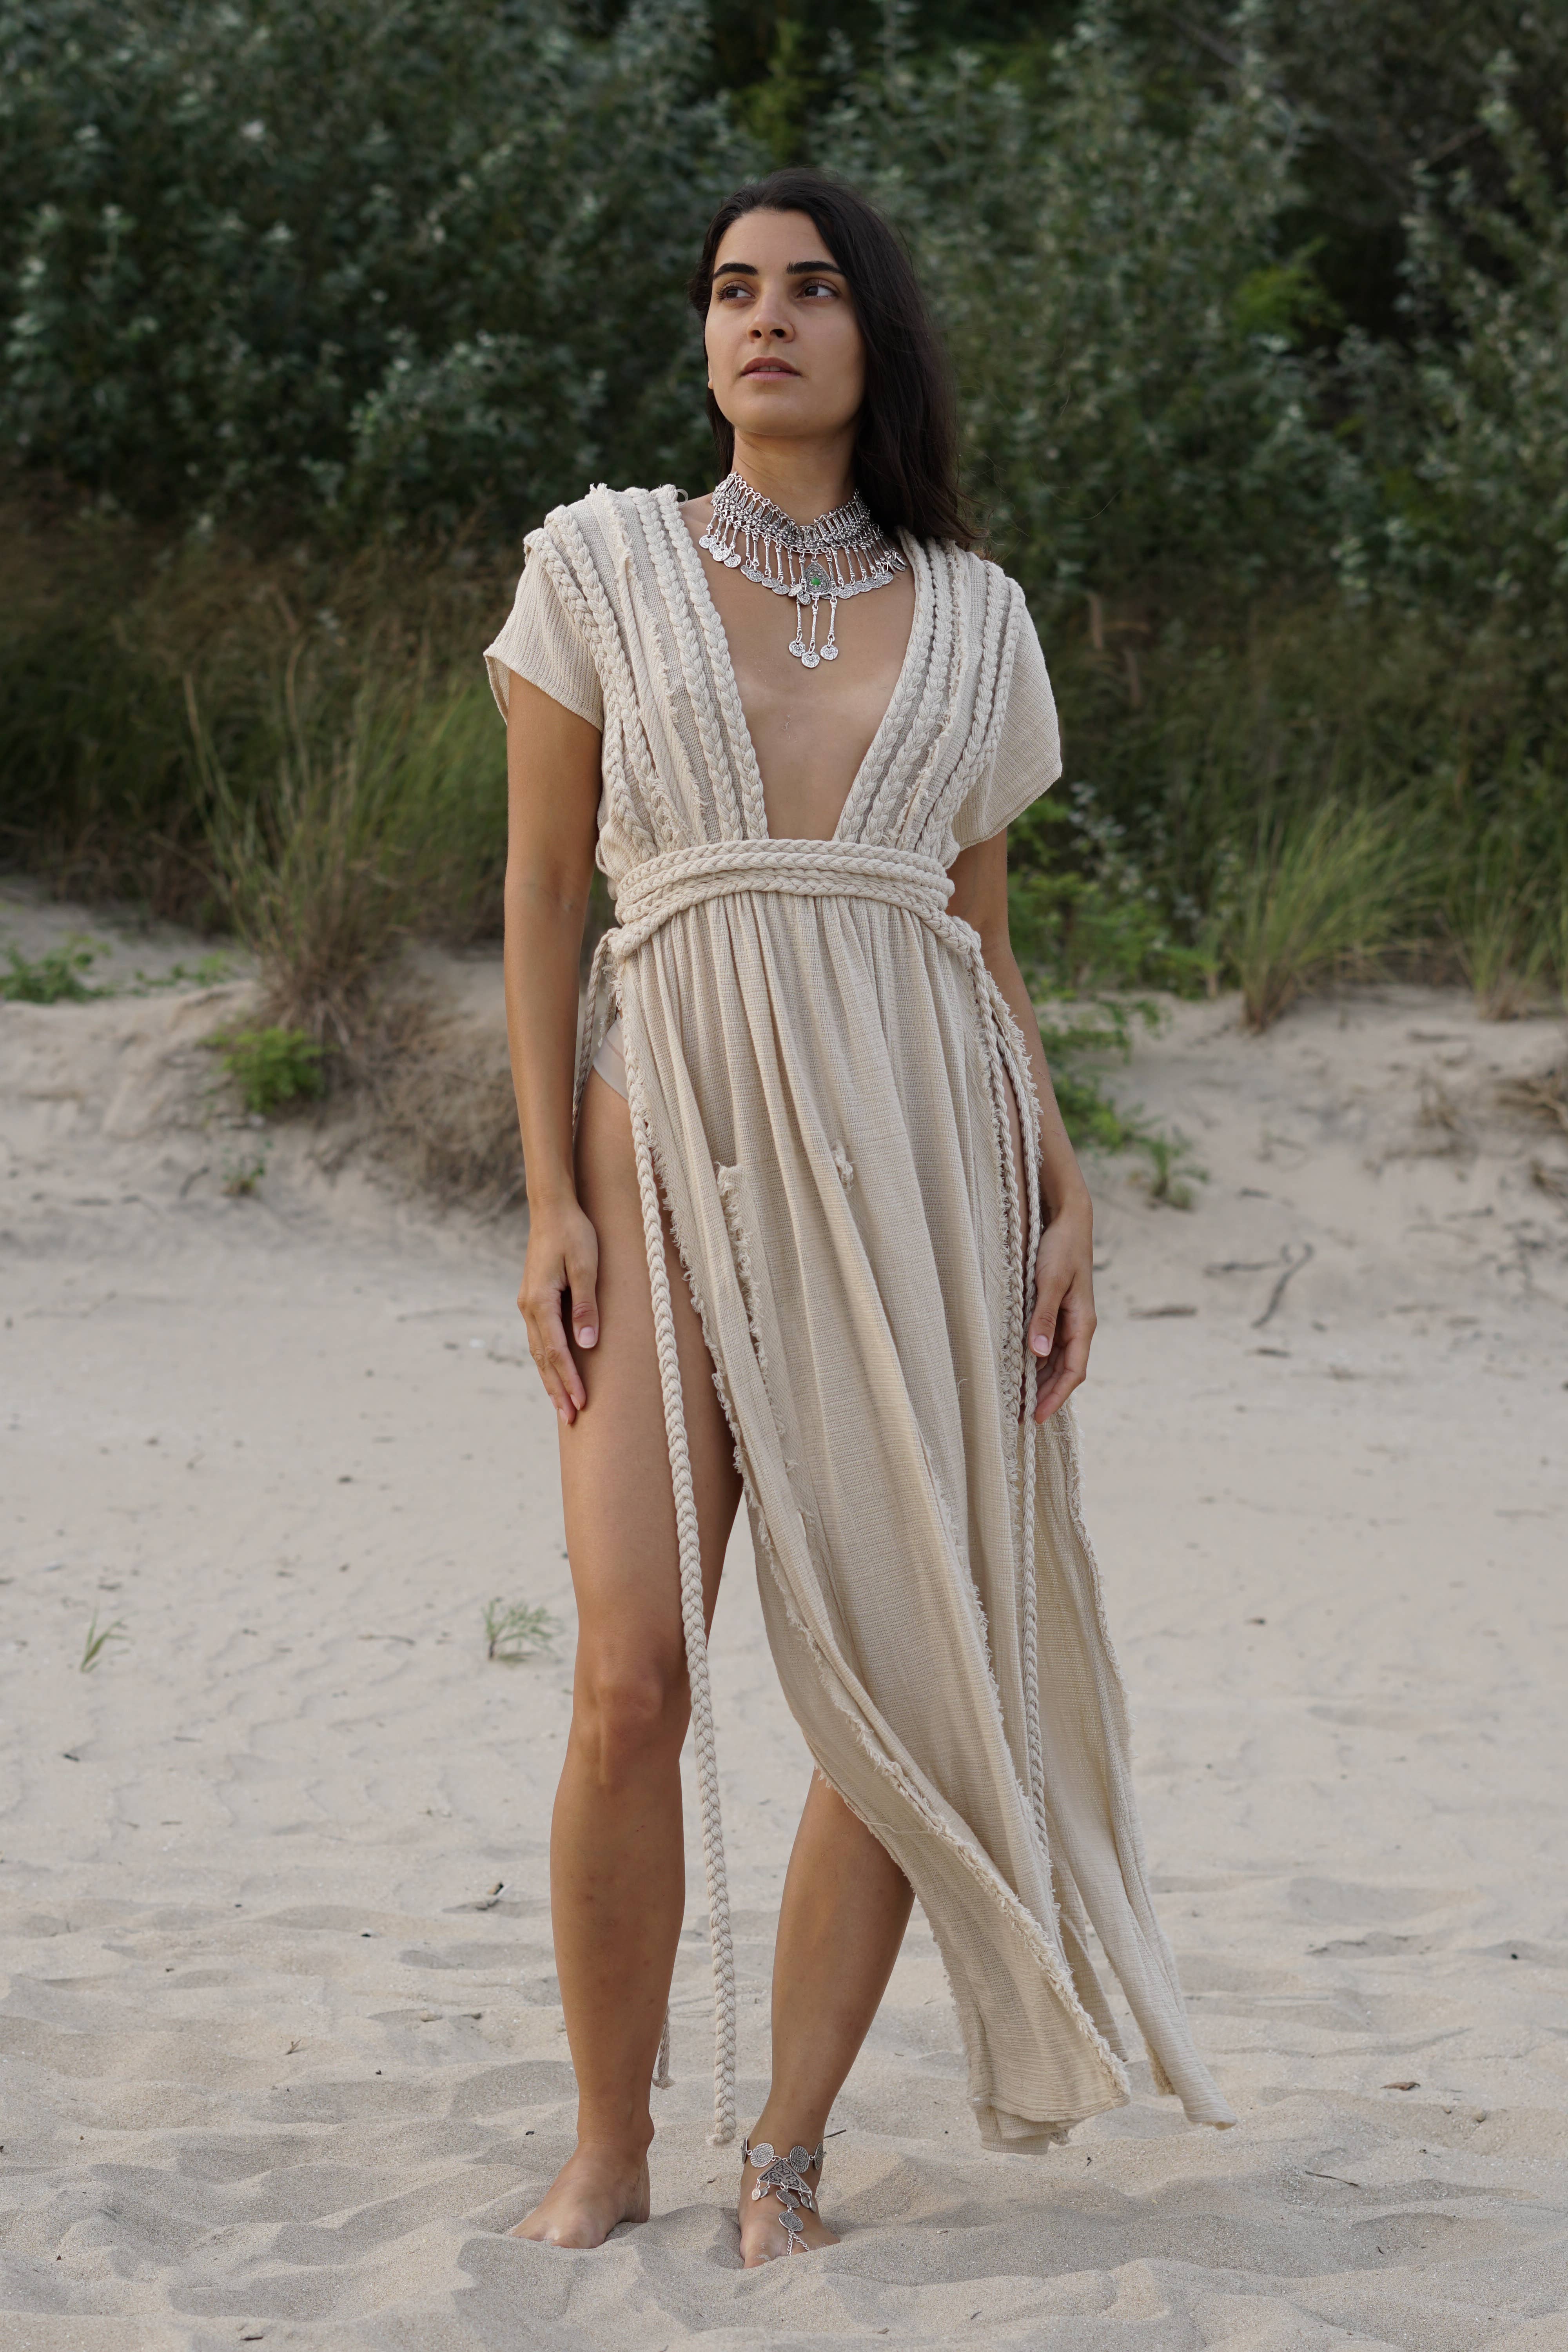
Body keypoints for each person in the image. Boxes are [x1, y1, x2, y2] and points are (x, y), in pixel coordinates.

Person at [486, 166, 1233, 2267]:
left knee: (904, 1671)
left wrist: (1060, 1189)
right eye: (732, 287)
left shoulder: (978, 612)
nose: (765, 319)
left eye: (811, 289)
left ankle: (787, 2152)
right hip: (660, 1131)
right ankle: (608, 2141)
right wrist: (544, 1196)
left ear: (873, 334)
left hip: (923, 1149)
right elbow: (539, 892)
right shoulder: (599, 563)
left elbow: (980, 942)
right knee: (632, 1672)